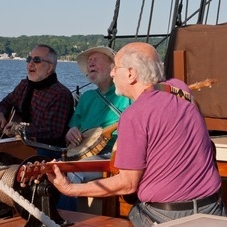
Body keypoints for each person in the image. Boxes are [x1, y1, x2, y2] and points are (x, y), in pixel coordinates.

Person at [46, 42, 226, 226]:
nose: (112, 72)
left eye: (116, 68)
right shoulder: (180, 89)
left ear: (131, 74)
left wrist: (69, 189)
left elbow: (127, 184)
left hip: (167, 216)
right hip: (213, 208)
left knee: (132, 214)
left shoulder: (133, 116)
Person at [59, 47, 132, 210]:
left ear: (113, 67)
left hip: (112, 156)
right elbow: (71, 132)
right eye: (89, 62)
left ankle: (63, 220)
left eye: (95, 60)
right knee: (51, 170)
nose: (90, 64)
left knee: (73, 173)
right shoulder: (87, 97)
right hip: (84, 153)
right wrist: (70, 133)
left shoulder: (126, 94)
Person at [0, 44, 74, 159]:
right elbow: (5, 103)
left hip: (46, 152)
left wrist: (19, 129)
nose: (30, 64)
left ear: (49, 68)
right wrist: (1, 116)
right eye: (29, 59)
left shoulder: (60, 94)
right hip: (21, 145)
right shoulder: (24, 85)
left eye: (37, 60)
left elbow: (53, 131)